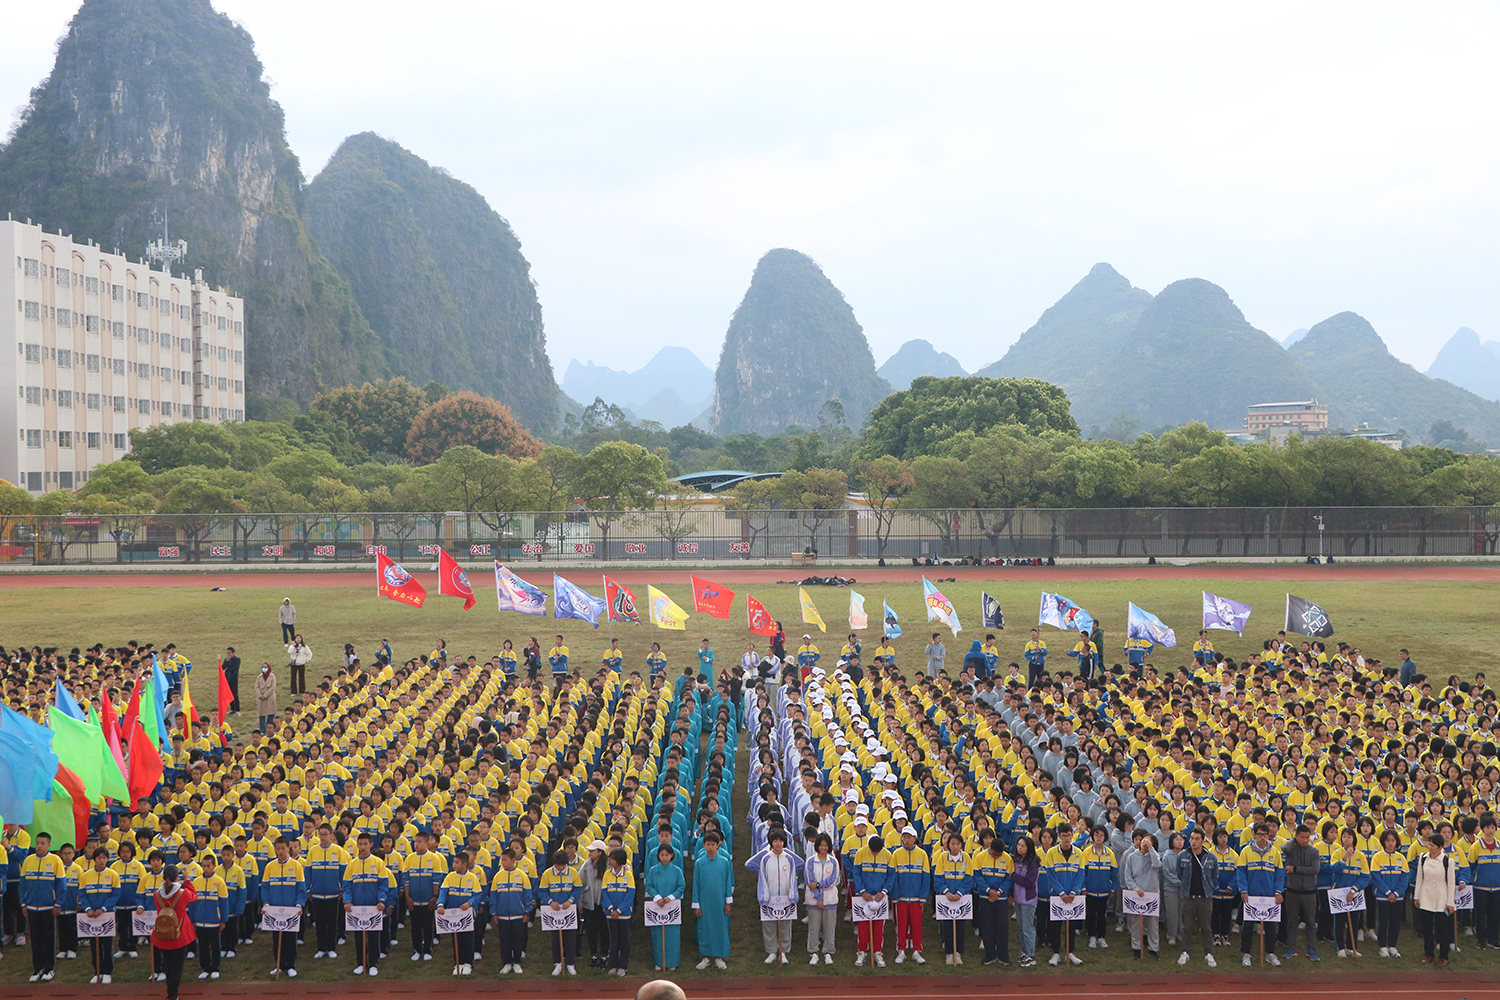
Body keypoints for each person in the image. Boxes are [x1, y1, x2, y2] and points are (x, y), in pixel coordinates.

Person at [747, 829, 803, 964]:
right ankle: (771, 951)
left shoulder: (789, 858)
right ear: (771, 843)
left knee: (785, 924)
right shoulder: (765, 859)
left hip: (785, 897)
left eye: (781, 841)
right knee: (769, 925)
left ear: (784, 842)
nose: (778, 844)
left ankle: (783, 951)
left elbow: (792, 878)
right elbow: (763, 879)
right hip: (770, 898)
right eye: (775, 841)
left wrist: (792, 894)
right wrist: (763, 896)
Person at [1237, 822, 1285, 966]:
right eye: (1259, 834)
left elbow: (1280, 874)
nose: (1262, 837)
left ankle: (1270, 953)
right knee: (1248, 927)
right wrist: (1243, 891)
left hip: (1270, 897)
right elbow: (1241, 872)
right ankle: (1246, 954)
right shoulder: (1246, 851)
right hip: (1251, 897)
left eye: (1265, 834)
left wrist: (1278, 892)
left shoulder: (1275, 852)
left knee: (1270, 927)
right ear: (1254, 835)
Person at [20, 830, 64, 982]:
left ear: (49, 845)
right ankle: (37, 968)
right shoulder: (28, 860)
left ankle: (49, 968)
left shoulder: (56, 860)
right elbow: (23, 884)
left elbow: (61, 885)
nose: (39, 846)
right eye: (37, 843)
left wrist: (58, 903)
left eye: (43, 843)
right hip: (32, 907)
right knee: (36, 939)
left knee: (48, 938)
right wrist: (23, 903)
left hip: (48, 907)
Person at [152, 864, 198, 1000]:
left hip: (162, 935)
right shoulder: (182, 893)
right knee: (177, 967)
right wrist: (187, 881)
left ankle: (170, 992)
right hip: (179, 934)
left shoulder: (157, 894)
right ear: (177, 877)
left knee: (167, 965)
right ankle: (173, 995)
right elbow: (194, 896)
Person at [1175, 827, 1218, 967]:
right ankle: (1185, 952)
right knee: (1187, 926)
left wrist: (1209, 887)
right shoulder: (1183, 856)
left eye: (1197, 839)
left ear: (1203, 840)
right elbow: (1179, 873)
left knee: (1206, 926)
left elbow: (1214, 875)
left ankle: (1208, 953)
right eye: (1192, 838)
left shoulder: (1210, 857)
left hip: (1205, 897)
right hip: (1188, 896)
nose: (1193, 841)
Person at [436, 851, 483, 976]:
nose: (454, 865)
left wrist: (470, 903)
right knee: (456, 938)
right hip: (453, 915)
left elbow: (477, 894)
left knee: (467, 939)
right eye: (453, 862)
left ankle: (468, 963)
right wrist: (440, 904)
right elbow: (443, 892)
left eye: (457, 863)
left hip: (466, 915)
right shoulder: (450, 877)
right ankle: (458, 962)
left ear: (464, 864)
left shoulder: (472, 878)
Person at [1414, 832, 1457, 966]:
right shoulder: (1423, 858)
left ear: (1440, 847)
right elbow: (1419, 878)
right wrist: (1417, 896)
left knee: (1441, 928)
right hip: (1426, 895)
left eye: (1432, 845)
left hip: (1441, 897)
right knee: (1426, 928)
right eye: (1429, 844)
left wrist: (1450, 902)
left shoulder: (1447, 861)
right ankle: (1428, 953)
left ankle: (1444, 956)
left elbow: (1451, 884)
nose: (1429, 847)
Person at [691, 831, 733, 969]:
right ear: (703, 845)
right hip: (704, 901)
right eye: (708, 844)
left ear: (718, 845)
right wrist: (696, 905)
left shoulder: (725, 862)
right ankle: (706, 957)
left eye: (713, 844)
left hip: (720, 901)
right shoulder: (699, 863)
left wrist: (728, 902)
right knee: (705, 928)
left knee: (720, 927)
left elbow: (728, 882)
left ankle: (719, 957)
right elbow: (696, 884)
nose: (710, 847)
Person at [79, 847, 120, 984]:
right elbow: (82, 894)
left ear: (107, 859)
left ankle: (107, 972)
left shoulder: (113, 874)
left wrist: (103, 908)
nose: (101, 860)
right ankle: (97, 971)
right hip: (91, 916)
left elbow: (115, 895)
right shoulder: (85, 875)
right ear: (94, 859)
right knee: (94, 944)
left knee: (107, 944)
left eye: (104, 858)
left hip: (106, 915)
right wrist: (88, 909)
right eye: (99, 858)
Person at [890, 825, 930, 964]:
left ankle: (916, 950)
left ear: (914, 838)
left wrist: (923, 896)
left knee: (917, 924)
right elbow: (893, 877)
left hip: (916, 898)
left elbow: (926, 877)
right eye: (904, 836)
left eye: (909, 837)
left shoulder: (922, 854)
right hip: (901, 898)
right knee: (901, 924)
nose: (906, 839)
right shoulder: (896, 854)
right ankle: (901, 950)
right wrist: (894, 896)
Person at [539, 849, 582, 976]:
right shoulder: (547, 874)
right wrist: (550, 902)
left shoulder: (573, 873)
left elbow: (578, 889)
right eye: (559, 866)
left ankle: (570, 964)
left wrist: (571, 900)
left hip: (569, 911)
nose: (561, 868)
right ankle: (557, 963)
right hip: (554, 912)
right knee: (556, 938)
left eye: (563, 865)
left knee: (571, 938)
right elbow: (542, 892)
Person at [1282, 824, 1321, 961]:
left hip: (1310, 892)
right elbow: (1283, 847)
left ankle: (1311, 950)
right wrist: (1293, 841)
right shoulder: (1291, 850)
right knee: (1292, 921)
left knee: (1310, 922)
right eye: (1302, 837)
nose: (1305, 840)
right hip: (1293, 891)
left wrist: (1296, 869)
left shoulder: (1314, 851)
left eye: (1307, 837)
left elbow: (1314, 870)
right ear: (1296, 836)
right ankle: (1291, 948)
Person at [934, 831, 974, 964]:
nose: (955, 846)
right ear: (948, 845)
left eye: (958, 844)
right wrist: (947, 892)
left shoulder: (967, 858)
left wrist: (960, 893)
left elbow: (969, 878)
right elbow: (938, 878)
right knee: (947, 926)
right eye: (953, 844)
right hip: (946, 898)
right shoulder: (942, 857)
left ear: (961, 845)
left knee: (960, 926)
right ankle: (949, 953)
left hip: (961, 898)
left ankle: (958, 952)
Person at [1122, 830, 1161, 960]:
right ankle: (1136, 948)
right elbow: (1128, 876)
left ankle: (1153, 948)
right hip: (1136, 894)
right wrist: (1135, 888)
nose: (1144, 843)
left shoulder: (1154, 855)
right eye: (1144, 840)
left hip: (1152, 894)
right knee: (1135, 923)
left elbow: (1157, 864)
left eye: (1148, 841)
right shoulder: (1131, 857)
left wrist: (1151, 849)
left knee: (1153, 923)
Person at [644, 845, 684, 971]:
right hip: (657, 906)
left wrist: (671, 897)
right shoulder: (653, 870)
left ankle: (672, 962)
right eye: (662, 855)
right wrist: (657, 897)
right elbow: (649, 886)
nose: (664, 857)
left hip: (672, 906)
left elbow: (681, 886)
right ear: (658, 856)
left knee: (672, 935)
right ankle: (659, 961)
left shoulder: (677, 871)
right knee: (657, 934)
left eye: (667, 855)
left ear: (672, 855)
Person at [803, 832, 839, 965]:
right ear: (816, 846)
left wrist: (818, 885)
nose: (823, 848)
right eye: (821, 845)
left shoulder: (833, 861)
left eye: (825, 845)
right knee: (814, 928)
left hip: (830, 900)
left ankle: (828, 952)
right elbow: (809, 881)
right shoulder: (810, 861)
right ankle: (813, 952)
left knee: (829, 928)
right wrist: (818, 898)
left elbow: (834, 880)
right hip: (813, 901)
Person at [602, 848, 635, 976]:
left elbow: (630, 894)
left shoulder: (628, 875)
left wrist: (620, 910)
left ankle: (623, 966)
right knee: (613, 939)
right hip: (610, 913)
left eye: (613, 858)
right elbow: (604, 892)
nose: (611, 860)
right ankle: (613, 964)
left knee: (624, 940)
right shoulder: (607, 874)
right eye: (610, 858)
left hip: (624, 914)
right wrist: (611, 909)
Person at [1012, 835, 1040, 967]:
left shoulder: (1033, 862)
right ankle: (1024, 951)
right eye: (1018, 845)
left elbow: (1029, 882)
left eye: (1023, 846)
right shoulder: (1016, 860)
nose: (1019, 848)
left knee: (1028, 927)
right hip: (1018, 899)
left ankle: (1031, 954)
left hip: (1028, 899)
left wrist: (1013, 876)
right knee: (1021, 927)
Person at [254, 663, 277, 734]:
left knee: (270, 714)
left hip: (270, 697)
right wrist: (260, 695)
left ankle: (269, 729)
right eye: (263, 667)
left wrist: (265, 695)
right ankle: (262, 730)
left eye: (265, 667)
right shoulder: (259, 677)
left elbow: (273, 687)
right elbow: (256, 686)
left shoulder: (272, 676)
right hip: (261, 698)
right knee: (262, 714)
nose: (264, 668)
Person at [222, 647, 241, 714]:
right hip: (227, 679)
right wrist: (227, 661)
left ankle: (237, 709)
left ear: (233, 653)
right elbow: (222, 667)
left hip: (233, 679)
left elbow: (234, 668)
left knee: (234, 694)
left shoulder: (237, 659)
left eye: (229, 653)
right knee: (228, 694)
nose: (228, 654)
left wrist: (229, 665)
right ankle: (232, 709)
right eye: (227, 653)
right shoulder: (226, 660)